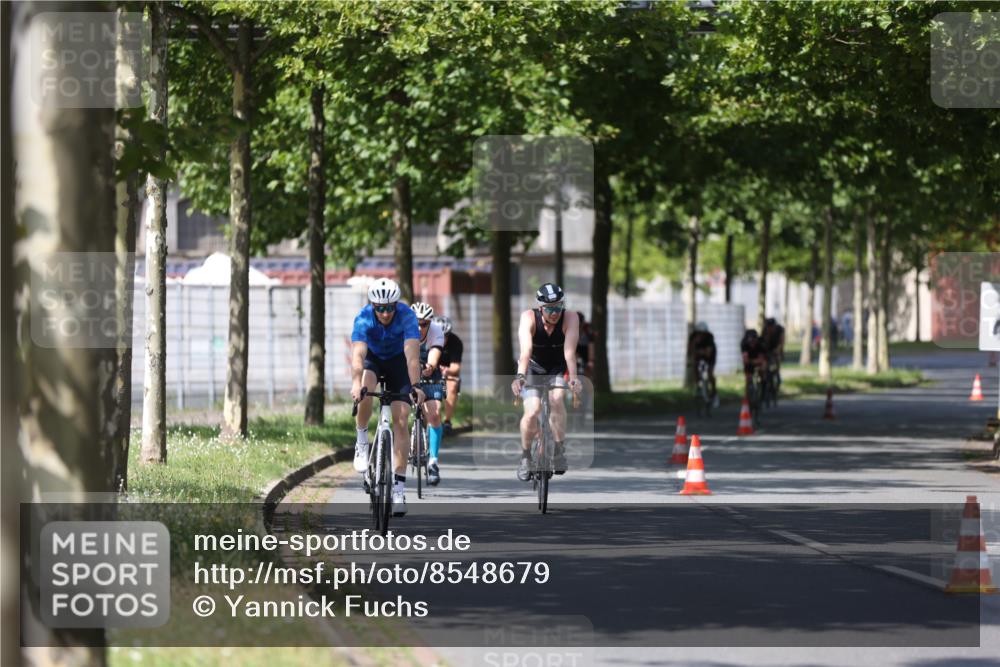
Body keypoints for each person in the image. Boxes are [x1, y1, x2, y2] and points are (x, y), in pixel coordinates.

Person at [350, 278, 425, 517]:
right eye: (379, 308)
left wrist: (415, 385)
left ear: (396, 304)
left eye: (389, 307)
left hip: (398, 363)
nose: (384, 313)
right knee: (365, 392)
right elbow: (358, 355)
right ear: (372, 305)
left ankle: (399, 490)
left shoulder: (407, 316)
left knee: (401, 420)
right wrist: (355, 383)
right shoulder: (363, 317)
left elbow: (412, 354)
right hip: (373, 359)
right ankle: (362, 440)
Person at [510, 283, 582, 481]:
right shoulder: (528, 318)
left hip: (557, 367)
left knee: (557, 398)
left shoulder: (570, 318)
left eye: (558, 307)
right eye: (550, 308)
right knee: (532, 411)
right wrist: (520, 378)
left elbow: (569, 353)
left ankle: (559, 450)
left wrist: (574, 378)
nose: (555, 312)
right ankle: (525, 457)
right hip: (533, 368)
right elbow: (525, 353)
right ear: (540, 307)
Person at [411, 303, 445, 486]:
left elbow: (434, 352)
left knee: (434, 413)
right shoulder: (404, 329)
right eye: (416, 323)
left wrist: (430, 367)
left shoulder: (436, 331)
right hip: (408, 369)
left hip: (429, 370)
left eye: (424, 324)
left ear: (429, 323)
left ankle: (433, 461)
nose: (419, 328)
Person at [433, 315, 464, 436]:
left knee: (451, 386)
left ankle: (447, 421)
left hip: (448, 373)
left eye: (445, 336)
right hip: (430, 371)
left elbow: (456, 367)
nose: (442, 339)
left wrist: (446, 370)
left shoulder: (455, 342)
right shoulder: (426, 339)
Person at [688, 321, 718, 407]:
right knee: (695, 365)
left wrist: (700, 352)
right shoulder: (692, 337)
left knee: (710, 373)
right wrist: (690, 359)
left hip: (710, 356)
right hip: (699, 355)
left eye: (703, 334)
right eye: (699, 334)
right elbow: (690, 350)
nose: (701, 335)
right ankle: (698, 384)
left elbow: (708, 353)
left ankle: (714, 391)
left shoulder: (709, 337)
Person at [576, 312, 596, 379]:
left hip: (586, 349)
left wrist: (590, 361)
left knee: (588, 368)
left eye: (580, 325)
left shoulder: (587, 330)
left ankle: (588, 383)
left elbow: (591, 346)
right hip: (575, 348)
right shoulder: (570, 328)